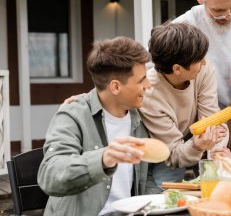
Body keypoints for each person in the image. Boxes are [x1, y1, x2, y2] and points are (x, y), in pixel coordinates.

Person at [37, 37, 160, 216]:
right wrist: (103, 159)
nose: (147, 85)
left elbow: (144, 177)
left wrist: (164, 200)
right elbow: (51, 175)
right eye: (141, 80)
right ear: (115, 87)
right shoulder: (73, 115)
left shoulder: (139, 118)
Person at [139, 22, 228, 185]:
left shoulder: (204, 70)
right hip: (165, 152)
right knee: (165, 190)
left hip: (195, 138)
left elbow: (211, 120)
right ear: (177, 69)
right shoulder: (149, 95)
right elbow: (173, 154)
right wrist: (196, 146)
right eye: (199, 60)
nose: (204, 63)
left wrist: (217, 155)